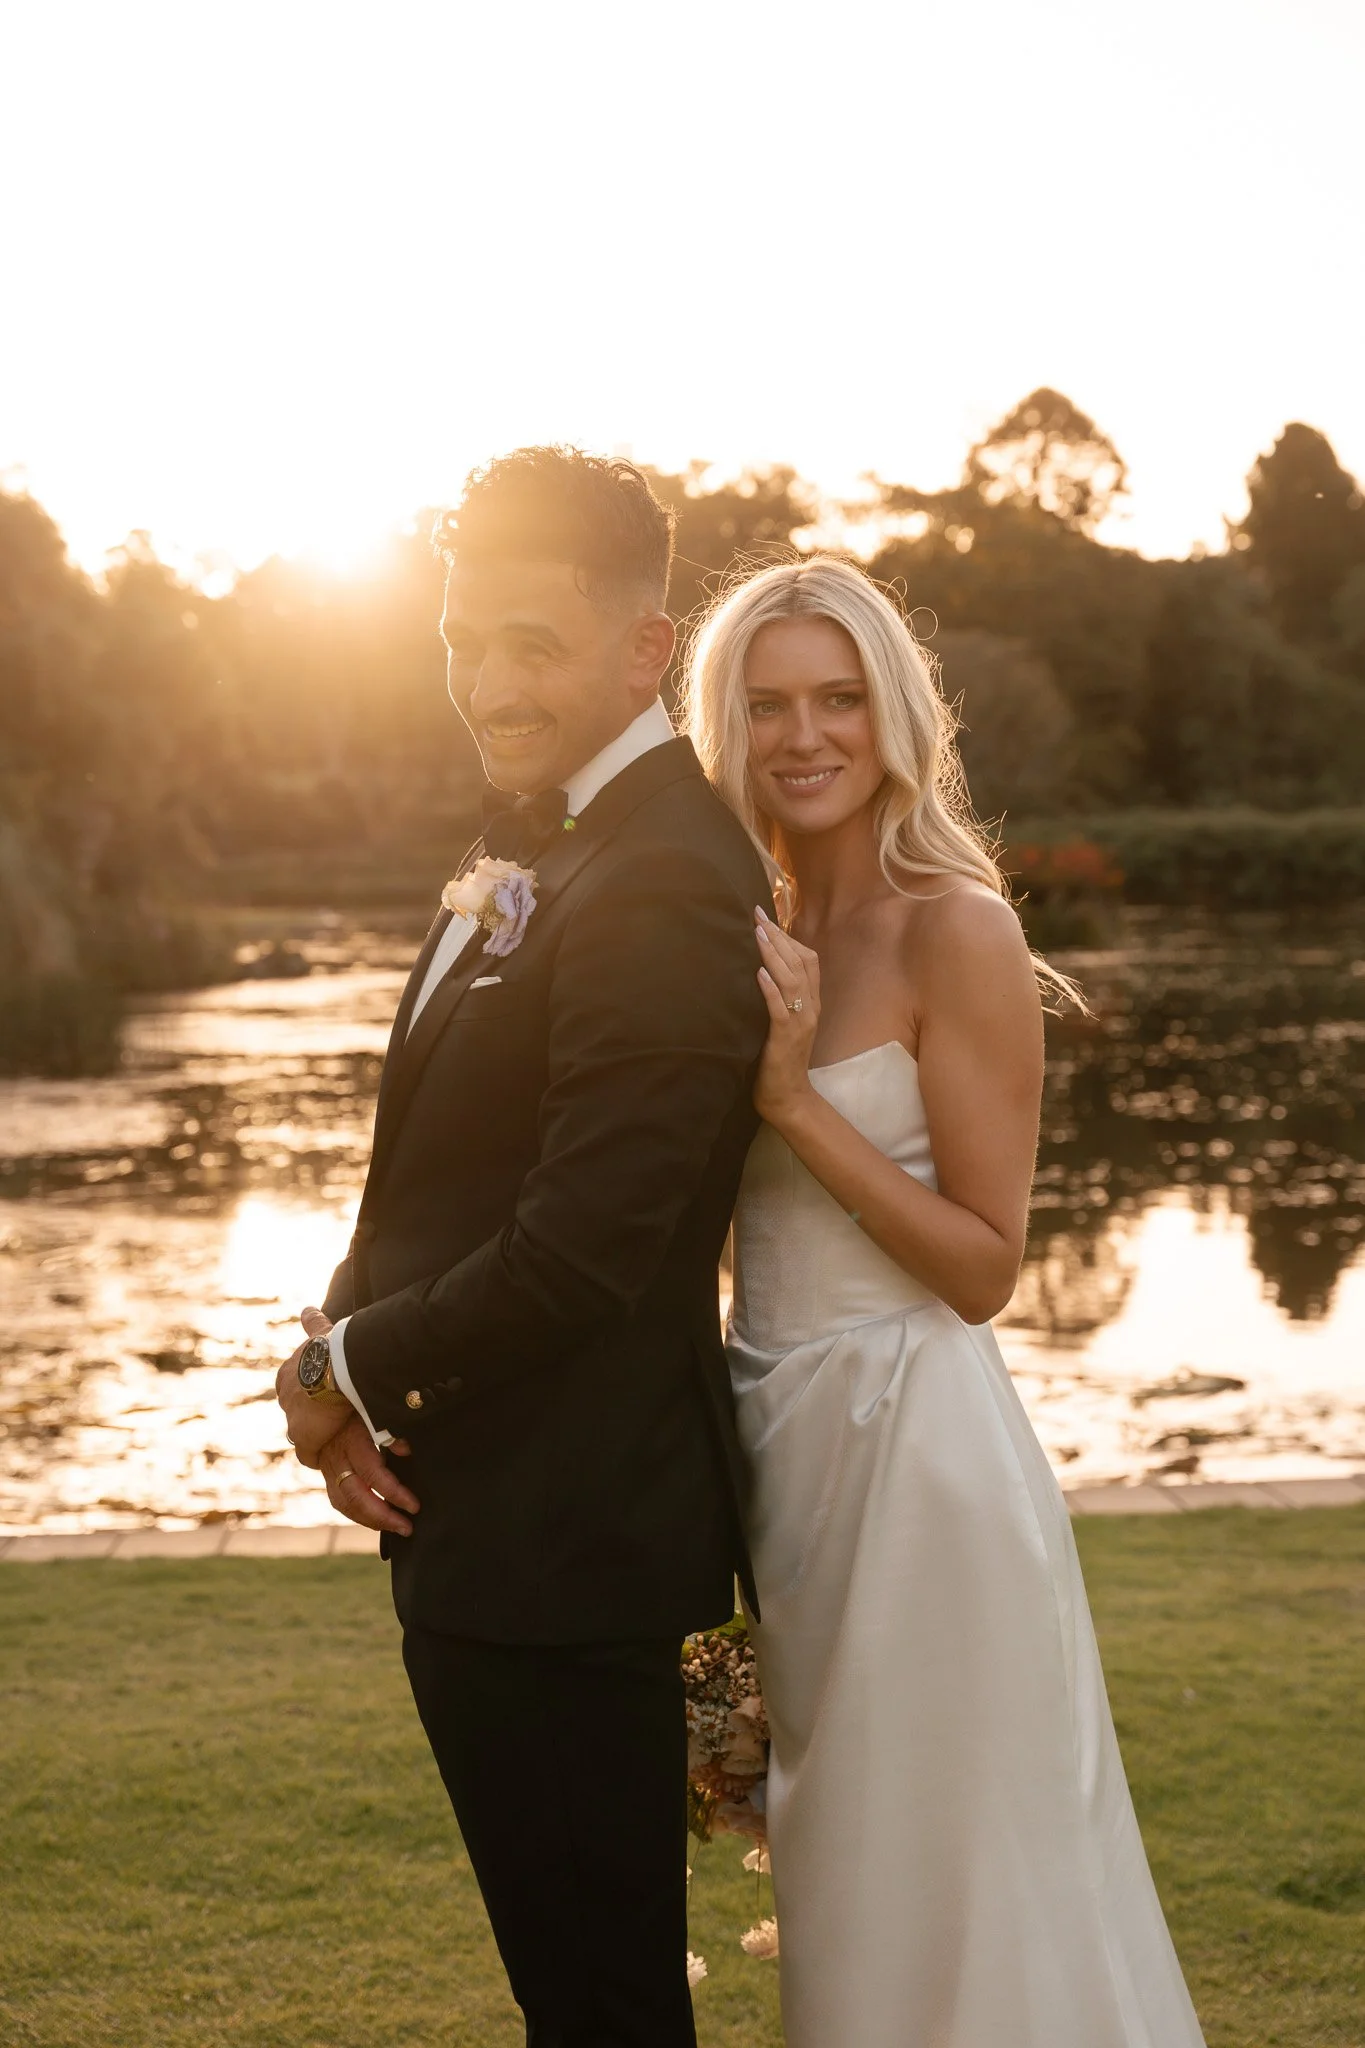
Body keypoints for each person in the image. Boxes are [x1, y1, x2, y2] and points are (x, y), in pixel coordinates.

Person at [275, 448, 771, 2048]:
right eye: (461, 641)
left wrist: (345, 1361)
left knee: (608, 2006)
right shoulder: (543, 849)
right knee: (580, 1995)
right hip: (492, 1524)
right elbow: (438, 1173)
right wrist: (357, 1354)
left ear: (644, 647)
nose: (488, 684)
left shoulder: (667, 873)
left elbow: (589, 1243)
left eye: (531, 646)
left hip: (581, 1555)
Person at [687, 555, 1206, 2048]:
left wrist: (791, 1101)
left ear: (894, 713)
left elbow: (986, 1268)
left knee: (962, 1886)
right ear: (728, 725)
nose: (805, 736)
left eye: (839, 698)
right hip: (779, 1448)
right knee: (848, 1899)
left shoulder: (954, 927)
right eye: (768, 703)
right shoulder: (752, 929)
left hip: (920, 1460)